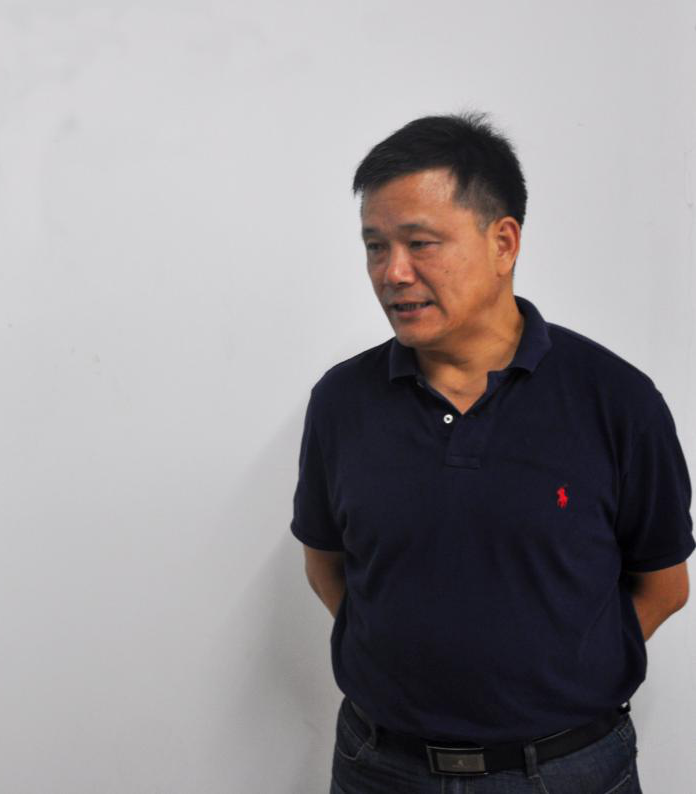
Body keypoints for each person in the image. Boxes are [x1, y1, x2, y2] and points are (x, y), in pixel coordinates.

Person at [292, 113, 692, 792]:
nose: (393, 272)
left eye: (420, 243)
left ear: (503, 242)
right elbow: (326, 564)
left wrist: (559, 679)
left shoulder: (615, 399)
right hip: (378, 767)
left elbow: (664, 585)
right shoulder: (341, 401)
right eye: (375, 247)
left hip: (567, 771)